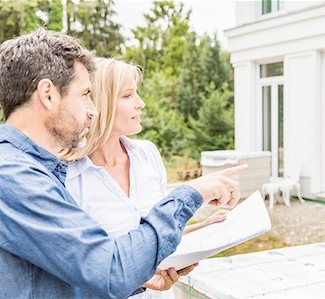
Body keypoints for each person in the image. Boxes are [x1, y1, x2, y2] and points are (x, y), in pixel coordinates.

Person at [0, 28, 244, 299]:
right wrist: (191, 194)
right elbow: (108, 268)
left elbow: (64, 280)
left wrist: (140, 276)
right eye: (84, 94)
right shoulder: (12, 175)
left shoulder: (34, 169)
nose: (92, 109)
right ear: (48, 94)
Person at [64, 57, 229, 298]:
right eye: (128, 95)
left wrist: (204, 230)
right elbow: (78, 270)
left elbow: (155, 235)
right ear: (101, 102)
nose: (140, 103)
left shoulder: (147, 154)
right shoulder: (69, 175)